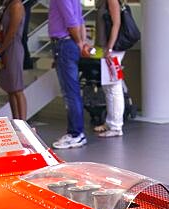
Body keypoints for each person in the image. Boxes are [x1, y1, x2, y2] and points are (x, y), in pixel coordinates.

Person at [49, 0, 90, 149]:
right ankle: (76, 133)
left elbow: (71, 20)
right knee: (72, 90)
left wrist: (79, 42)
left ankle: (75, 134)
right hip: (68, 43)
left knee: (70, 92)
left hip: (64, 44)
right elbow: (79, 19)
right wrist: (82, 42)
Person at [94, 0, 123, 137]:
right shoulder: (101, 2)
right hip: (106, 48)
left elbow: (116, 23)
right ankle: (110, 122)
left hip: (113, 48)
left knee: (114, 86)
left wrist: (110, 47)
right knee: (108, 87)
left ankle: (116, 126)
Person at [0, 0, 25, 119]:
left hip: (13, 48)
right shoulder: (7, 6)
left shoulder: (17, 5)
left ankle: (23, 123)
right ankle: (16, 120)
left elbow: (12, 32)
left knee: (17, 88)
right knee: (10, 88)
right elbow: (0, 30)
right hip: (5, 49)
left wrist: (1, 49)